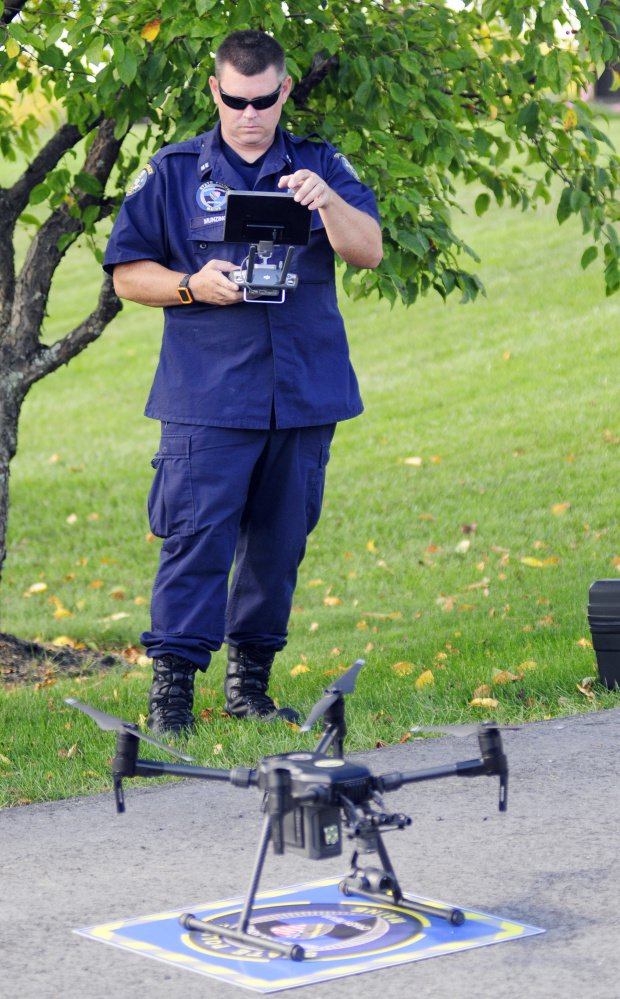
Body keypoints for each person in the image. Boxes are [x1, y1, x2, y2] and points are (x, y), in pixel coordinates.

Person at [103, 29, 382, 735]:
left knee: (278, 544)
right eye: (235, 100)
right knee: (196, 539)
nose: (249, 113)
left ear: (284, 91)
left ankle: (249, 687)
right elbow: (127, 273)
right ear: (214, 92)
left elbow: (369, 250)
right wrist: (192, 286)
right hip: (208, 397)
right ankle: (171, 695)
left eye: (262, 100)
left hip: (303, 391)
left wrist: (327, 203)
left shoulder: (319, 166)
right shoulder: (172, 172)